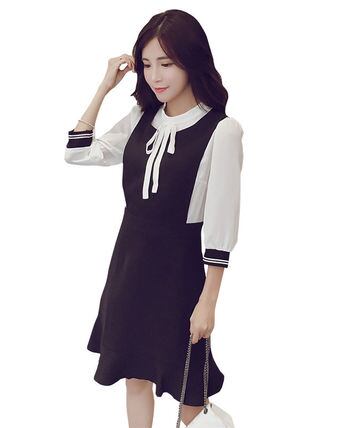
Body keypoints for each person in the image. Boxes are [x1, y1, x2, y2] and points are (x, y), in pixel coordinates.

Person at [64, 9, 244, 428]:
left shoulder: (222, 131)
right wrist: (104, 87)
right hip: (129, 266)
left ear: (191, 61)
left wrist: (208, 302)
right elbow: (78, 151)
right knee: (135, 375)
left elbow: (222, 224)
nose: (155, 76)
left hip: (180, 273)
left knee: (190, 392)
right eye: (146, 64)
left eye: (166, 63)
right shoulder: (142, 118)